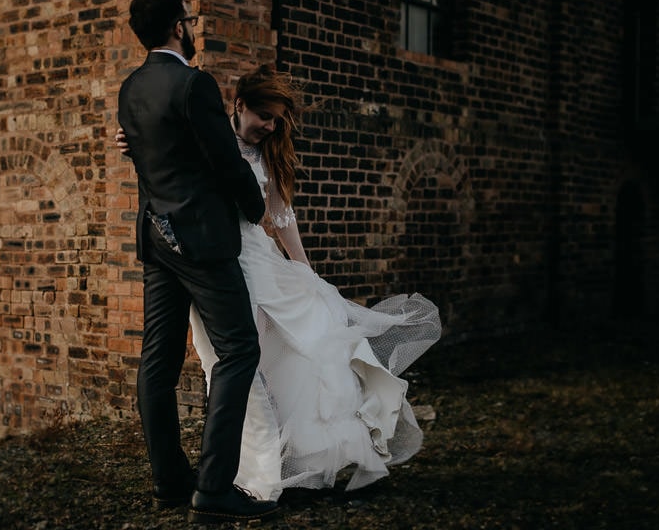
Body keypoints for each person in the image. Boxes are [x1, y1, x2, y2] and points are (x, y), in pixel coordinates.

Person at [117, 64, 442, 502]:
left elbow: (281, 215)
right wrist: (133, 144)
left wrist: (305, 271)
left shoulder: (270, 150)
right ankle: (248, 472)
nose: (269, 126)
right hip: (216, 268)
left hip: (263, 264)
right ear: (239, 105)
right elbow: (165, 161)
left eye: (276, 120)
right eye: (263, 116)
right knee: (236, 370)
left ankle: (297, 464)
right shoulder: (207, 139)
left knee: (294, 357)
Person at [116, 0, 279, 524]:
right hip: (202, 241)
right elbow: (226, 162)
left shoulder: (131, 88)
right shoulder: (194, 84)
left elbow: (156, 155)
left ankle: (168, 479)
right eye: (189, 20)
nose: (193, 28)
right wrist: (256, 209)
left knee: (158, 360)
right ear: (176, 28)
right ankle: (212, 488)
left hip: (157, 236)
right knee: (239, 351)